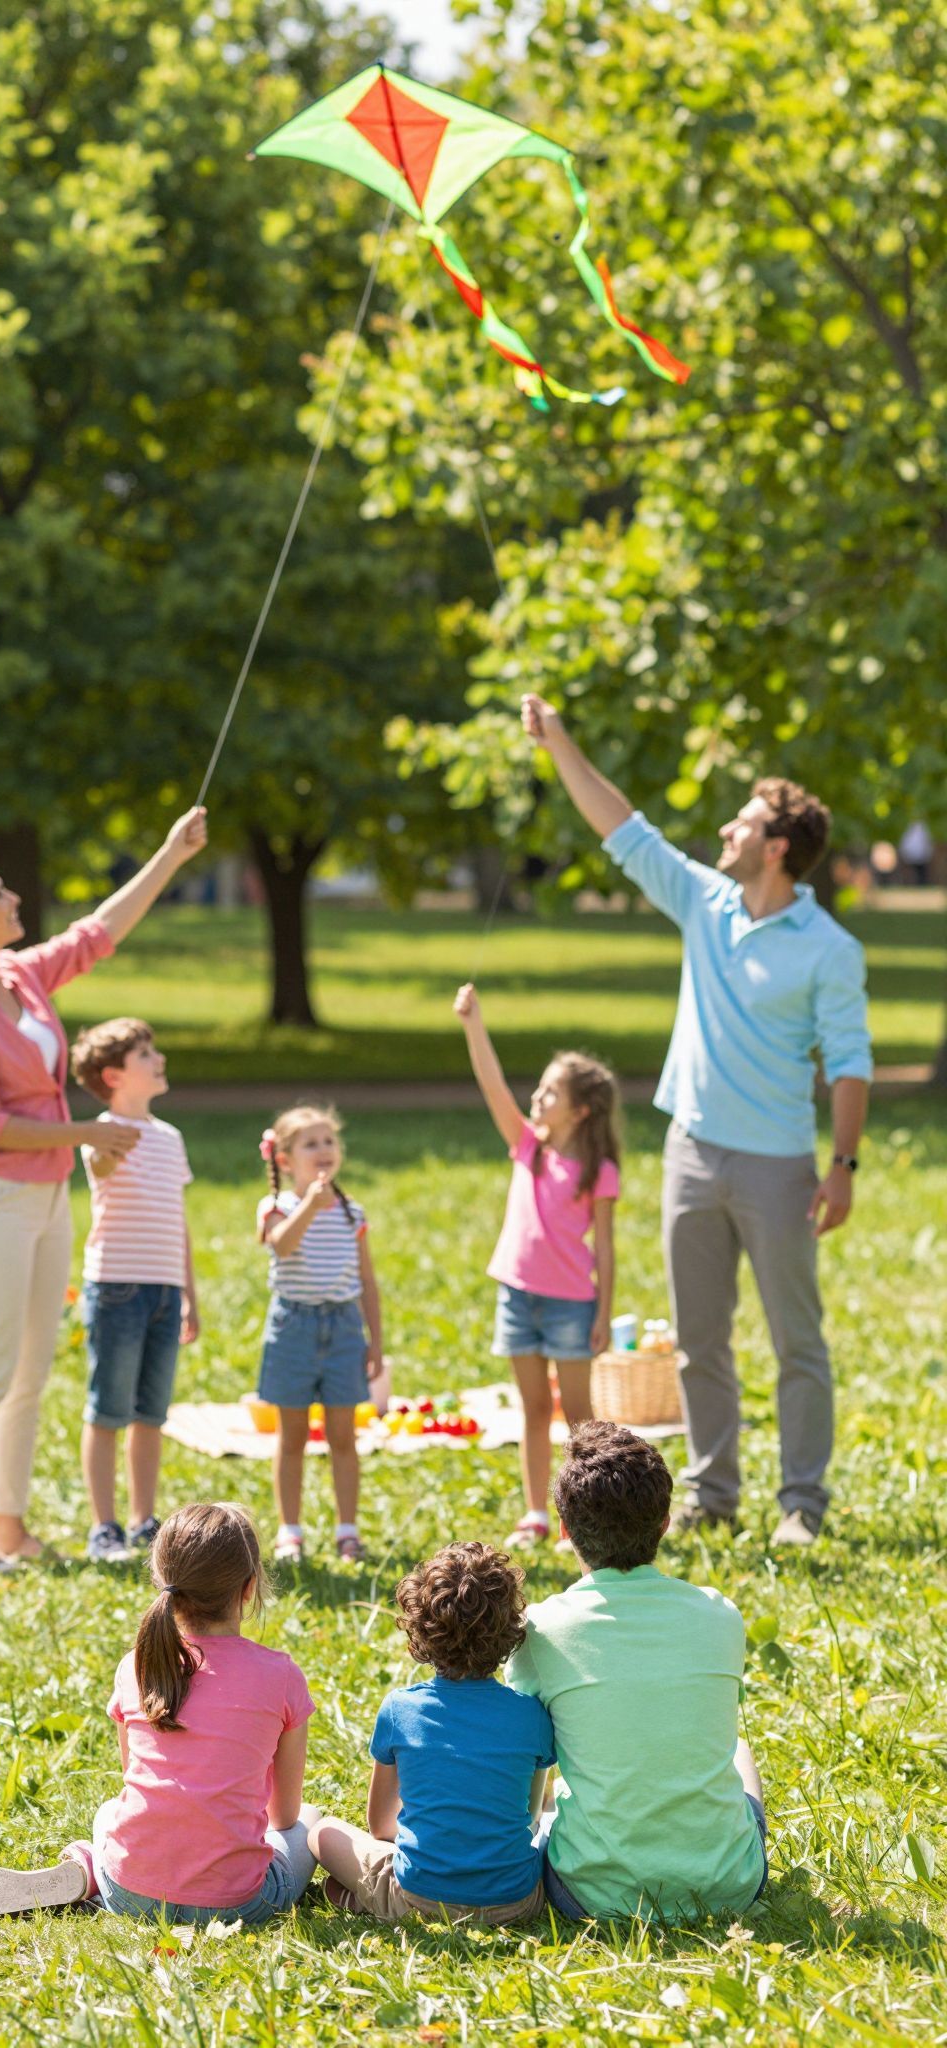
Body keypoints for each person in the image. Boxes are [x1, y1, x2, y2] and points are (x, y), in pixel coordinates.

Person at [522, 694, 872, 1546]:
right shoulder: (705, 903)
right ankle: (716, 1495)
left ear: (777, 846)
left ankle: (802, 1504)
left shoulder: (829, 947)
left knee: (798, 1342)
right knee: (698, 1345)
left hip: (778, 1165)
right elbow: (622, 824)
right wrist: (559, 739)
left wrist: (843, 1166)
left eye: (744, 820)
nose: (727, 828)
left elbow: (852, 1063)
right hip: (692, 1153)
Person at [0, 807, 208, 1573]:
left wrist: (170, 853)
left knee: (32, 1371)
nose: (14, 900)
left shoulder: (18, 975)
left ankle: (8, 1526)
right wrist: (84, 1135)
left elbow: (98, 931)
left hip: (43, 1200)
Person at [0, 1502, 320, 1924]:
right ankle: (95, 1868)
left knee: (109, 1812)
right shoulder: (280, 1675)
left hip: (131, 1891)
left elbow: (134, 1777)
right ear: (248, 1588)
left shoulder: (137, 1664)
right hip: (239, 1904)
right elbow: (282, 1815)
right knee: (309, 1823)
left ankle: (88, 1868)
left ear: (164, 1583)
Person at [507, 1422, 768, 1923]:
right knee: (737, 1747)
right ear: (666, 1522)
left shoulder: (541, 1628)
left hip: (590, 1891)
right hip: (731, 1884)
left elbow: (529, 1758)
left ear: (564, 1529)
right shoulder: (720, 1614)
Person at [309, 1541, 555, 1925]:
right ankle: (365, 1900)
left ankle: (368, 1901)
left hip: (419, 1897)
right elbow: (533, 1814)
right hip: (517, 1902)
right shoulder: (531, 1714)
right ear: (510, 1628)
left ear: (420, 1628)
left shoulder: (400, 1709)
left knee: (320, 1832)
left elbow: (381, 1826)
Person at [454, 982, 619, 1552]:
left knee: (579, 1417)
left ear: (580, 1109)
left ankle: (585, 1516)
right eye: (540, 1088)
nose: (537, 1097)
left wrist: (604, 1311)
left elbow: (607, 1248)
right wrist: (474, 1023)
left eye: (551, 1093)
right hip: (517, 1296)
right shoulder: (528, 1147)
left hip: (573, 1304)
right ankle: (535, 1514)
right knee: (532, 1408)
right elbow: (493, 1087)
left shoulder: (599, 1169)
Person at [70, 1017, 198, 1564]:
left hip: (165, 1291)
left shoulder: (170, 1138)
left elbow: (178, 1219)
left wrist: (189, 1290)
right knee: (108, 1411)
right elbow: (98, 1164)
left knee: (152, 1413)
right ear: (114, 1075)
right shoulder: (103, 1134)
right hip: (117, 1288)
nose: (159, 1058)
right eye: (146, 1054)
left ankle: (146, 1522)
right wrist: (108, 1144)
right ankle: (105, 1527)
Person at [257, 1105, 386, 1565]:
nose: (323, 1150)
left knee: (343, 1436)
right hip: (294, 1328)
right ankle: (290, 1530)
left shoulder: (352, 1212)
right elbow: (283, 1244)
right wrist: (311, 1204)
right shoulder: (276, 1208)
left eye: (329, 1141)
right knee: (292, 1436)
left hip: (344, 1328)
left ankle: (347, 1530)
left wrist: (376, 1341)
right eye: (310, 1144)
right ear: (286, 1160)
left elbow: (367, 1281)